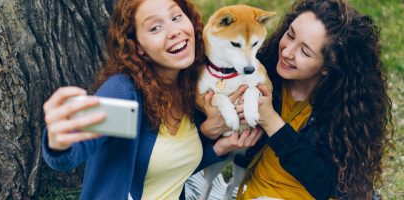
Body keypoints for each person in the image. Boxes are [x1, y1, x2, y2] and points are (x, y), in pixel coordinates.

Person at [41, 0, 260, 199]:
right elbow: (73, 151)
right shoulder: (125, 93)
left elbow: (169, 170)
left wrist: (220, 148)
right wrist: (60, 141)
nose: (174, 31)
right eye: (155, 27)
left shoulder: (189, 86)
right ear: (138, 48)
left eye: (176, 17)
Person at [231, 0, 393, 199]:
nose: (287, 52)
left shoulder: (341, 110)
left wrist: (272, 122)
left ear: (328, 66)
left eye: (305, 51)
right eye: (290, 35)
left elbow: (326, 185)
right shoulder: (265, 72)